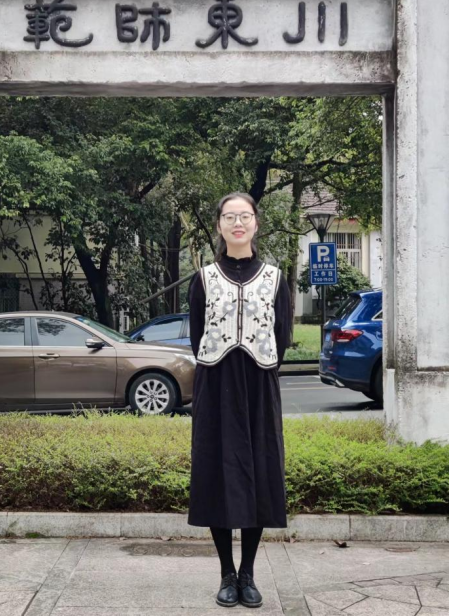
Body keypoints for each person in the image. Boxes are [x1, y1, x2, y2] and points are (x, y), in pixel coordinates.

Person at [187, 191, 292, 609]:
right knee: (216, 472)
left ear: (255, 223)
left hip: (259, 383)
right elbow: (197, 334)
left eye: (244, 216)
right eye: (230, 216)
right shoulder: (204, 278)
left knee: (259, 473)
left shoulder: (275, 278)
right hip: (215, 383)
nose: (237, 223)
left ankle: (248, 573)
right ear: (219, 225)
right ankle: (226, 574)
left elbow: (282, 335)